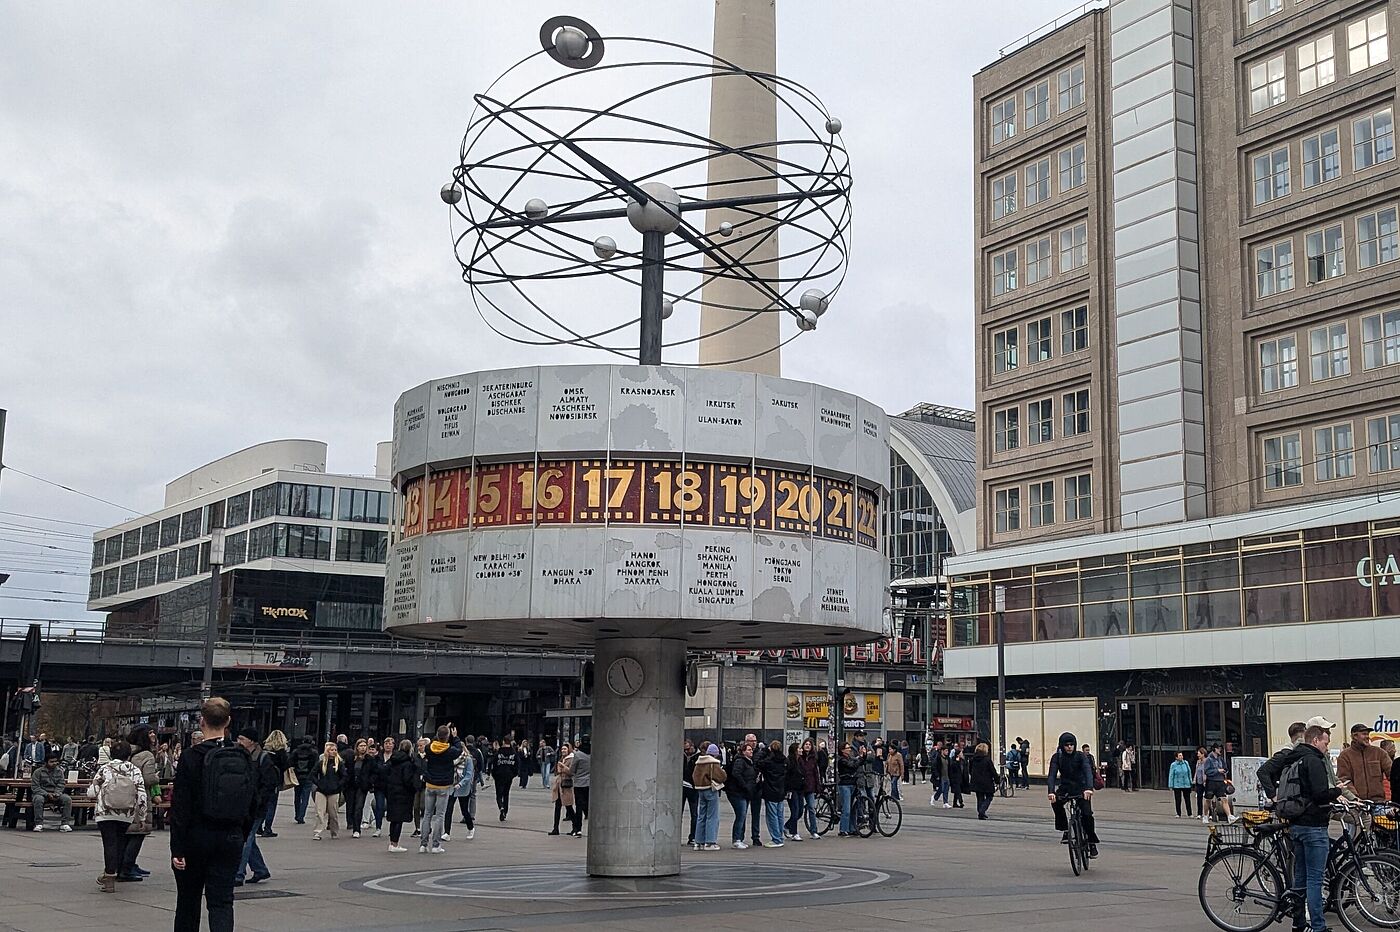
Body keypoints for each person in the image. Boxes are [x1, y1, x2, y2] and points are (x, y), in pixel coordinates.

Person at [170, 698, 259, 932]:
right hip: (230, 837)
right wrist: (241, 832)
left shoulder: (190, 757)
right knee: (221, 902)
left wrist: (177, 848)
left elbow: (180, 806)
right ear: (228, 721)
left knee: (188, 901)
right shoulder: (242, 756)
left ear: (201, 722)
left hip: (196, 837)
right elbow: (253, 800)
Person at [1277, 723, 1346, 932]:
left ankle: (1298, 924)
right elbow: (1319, 794)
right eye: (1326, 741)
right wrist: (1336, 792)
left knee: (1300, 878)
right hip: (1314, 826)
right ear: (1315, 740)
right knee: (1315, 880)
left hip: (1297, 824)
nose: (1327, 746)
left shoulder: (1294, 757)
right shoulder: (1313, 760)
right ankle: (1318, 927)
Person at [89, 738, 148, 893]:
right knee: (120, 842)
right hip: (125, 812)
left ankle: (109, 878)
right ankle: (113, 872)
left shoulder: (105, 769)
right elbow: (141, 795)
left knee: (109, 843)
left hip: (105, 811)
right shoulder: (134, 770)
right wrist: (141, 817)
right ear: (129, 755)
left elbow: (92, 791)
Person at [234, 727, 279, 887]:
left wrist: (258, 800)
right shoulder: (241, 755)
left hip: (256, 807)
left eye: (242, 739)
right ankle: (260, 869)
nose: (239, 742)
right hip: (244, 805)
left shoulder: (263, 758)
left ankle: (238, 873)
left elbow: (270, 783)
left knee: (246, 839)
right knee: (249, 839)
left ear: (251, 741)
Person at [1047, 732, 1099, 858]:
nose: (1069, 747)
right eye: (1066, 745)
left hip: (1081, 788)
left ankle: (1091, 842)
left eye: (1072, 744)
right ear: (1061, 746)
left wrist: (1088, 788)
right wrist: (1051, 791)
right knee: (1056, 803)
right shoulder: (1057, 757)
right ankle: (1065, 829)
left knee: (1087, 815)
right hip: (1066, 787)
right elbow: (1052, 775)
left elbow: (1087, 771)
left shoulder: (1081, 756)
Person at [124, 725, 160, 878]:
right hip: (140, 797)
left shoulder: (126, 750)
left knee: (127, 833)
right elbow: (148, 779)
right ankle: (127, 867)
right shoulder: (147, 755)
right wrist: (157, 777)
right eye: (150, 732)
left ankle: (126, 864)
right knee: (138, 832)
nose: (153, 735)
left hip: (124, 796)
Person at [420, 725, 461, 852]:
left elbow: (433, 743)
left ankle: (423, 844)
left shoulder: (429, 748)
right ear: (447, 737)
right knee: (439, 815)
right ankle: (436, 845)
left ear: (437, 736)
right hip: (443, 785)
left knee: (427, 814)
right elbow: (459, 749)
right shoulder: (450, 751)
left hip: (430, 784)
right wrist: (455, 737)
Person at [1338, 722, 1390, 803]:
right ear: (1355, 736)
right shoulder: (1344, 756)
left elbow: (1393, 774)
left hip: (1379, 802)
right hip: (1357, 804)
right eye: (1364, 734)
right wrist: (1355, 798)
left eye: (1368, 734)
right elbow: (1344, 780)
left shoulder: (1379, 753)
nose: (1367, 737)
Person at [382, 739, 419, 852]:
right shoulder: (408, 763)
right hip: (403, 793)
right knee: (399, 819)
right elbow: (408, 780)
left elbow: (385, 773)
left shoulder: (392, 760)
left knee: (393, 819)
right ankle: (395, 843)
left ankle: (392, 842)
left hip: (392, 792)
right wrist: (413, 787)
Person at [691, 743, 726, 851]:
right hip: (711, 790)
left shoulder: (699, 762)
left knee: (701, 816)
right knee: (712, 816)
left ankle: (698, 842)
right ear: (715, 753)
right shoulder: (713, 763)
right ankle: (710, 842)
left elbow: (693, 776)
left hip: (700, 790)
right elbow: (722, 777)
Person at [723, 741, 758, 849]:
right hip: (737, 793)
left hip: (745, 792)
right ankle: (736, 839)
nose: (751, 751)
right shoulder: (740, 761)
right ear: (743, 752)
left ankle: (740, 838)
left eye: (751, 750)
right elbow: (736, 774)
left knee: (742, 816)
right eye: (748, 749)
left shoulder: (749, 762)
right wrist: (745, 785)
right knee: (740, 815)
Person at [31, 749, 72, 831]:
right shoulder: (38, 772)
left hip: (56, 794)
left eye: (55, 762)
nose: (54, 763)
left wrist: (57, 793)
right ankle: (39, 823)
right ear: (46, 762)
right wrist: (46, 794)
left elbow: (61, 784)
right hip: (42, 794)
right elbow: (35, 787)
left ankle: (65, 823)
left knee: (67, 799)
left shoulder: (59, 771)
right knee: (38, 800)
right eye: (51, 762)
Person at [311, 741, 345, 841]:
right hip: (321, 791)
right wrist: (318, 783)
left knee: (333, 813)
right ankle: (317, 832)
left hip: (334, 791)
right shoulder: (321, 763)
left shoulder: (339, 763)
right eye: (331, 750)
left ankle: (334, 832)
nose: (333, 752)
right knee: (319, 812)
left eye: (335, 750)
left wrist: (338, 786)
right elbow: (312, 774)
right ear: (327, 751)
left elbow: (344, 776)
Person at [756, 740, 787, 847]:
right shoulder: (784, 760)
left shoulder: (769, 761)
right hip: (780, 790)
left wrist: (764, 751)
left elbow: (758, 762)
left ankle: (776, 839)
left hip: (770, 789)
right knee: (780, 815)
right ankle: (780, 837)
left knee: (772, 815)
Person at [259, 730, 290, 838]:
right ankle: (268, 828)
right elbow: (286, 766)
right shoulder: (282, 753)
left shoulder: (264, 751)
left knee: (263, 804)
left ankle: (258, 825)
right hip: (275, 782)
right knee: (272, 805)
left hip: (262, 781)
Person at [345, 738, 375, 838]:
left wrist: (369, 782)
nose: (363, 748)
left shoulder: (369, 759)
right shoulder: (351, 758)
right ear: (357, 747)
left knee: (359, 807)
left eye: (364, 746)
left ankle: (356, 829)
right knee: (351, 807)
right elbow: (347, 771)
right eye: (361, 746)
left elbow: (373, 772)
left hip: (362, 786)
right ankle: (351, 823)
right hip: (351, 785)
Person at [447, 740, 476, 841]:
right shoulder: (452, 759)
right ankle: (447, 832)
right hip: (452, 787)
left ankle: (471, 828)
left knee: (464, 810)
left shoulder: (468, 759)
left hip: (463, 788)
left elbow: (469, 775)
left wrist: (461, 783)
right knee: (448, 809)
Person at [290, 736, 319, 825]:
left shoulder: (295, 752)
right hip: (308, 777)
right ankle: (301, 816)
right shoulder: (314, 752)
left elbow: (291, 763)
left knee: (297, 796)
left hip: (297, 776)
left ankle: (297, 814)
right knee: (305, 797)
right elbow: (316, 766)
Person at [1204, 745, 1237, 822]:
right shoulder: (1208, 759)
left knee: (1224, 799)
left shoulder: (1221, 759)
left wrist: (1225, 771)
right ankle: (1205, 815)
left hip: (1220, 781)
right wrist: (1217, 771)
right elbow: (1206, 771)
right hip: (1211, 781)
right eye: (1219, 749)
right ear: (1215, 749)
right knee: (1208, 799)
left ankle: (1229, 816)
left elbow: (1226, 768)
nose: (1220, 751)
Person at [548, 742, 575, 835]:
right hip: (559, 785)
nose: (563, 751)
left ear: (569, 750)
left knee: (569, 807)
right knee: (557, 806)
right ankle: (555, 828)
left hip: (566, 785)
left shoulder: (571, 759)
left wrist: (563, 766)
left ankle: (575, 827)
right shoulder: (562, 758)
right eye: (562, 749)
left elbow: (571, 772)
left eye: (565, 749)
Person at [491, 737, 518, 821]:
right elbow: (517, 765)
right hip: (509, 776)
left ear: (503, 741)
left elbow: (494, 764)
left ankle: (501, 807)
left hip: (499, 775)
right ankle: (505, 812)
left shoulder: (499, 752)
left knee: (499, 794)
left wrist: (494, 774)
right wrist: (513, 774)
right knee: (506, 794)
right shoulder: (513, 753)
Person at [969, 741, 997, 820]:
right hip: (986, 781)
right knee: (989, 796)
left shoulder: (973, 759)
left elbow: (970, 770)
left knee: (979, 797)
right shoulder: (987, 760)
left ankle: (980, 812)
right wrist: (997, 780)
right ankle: (982, 810)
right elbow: (993, 771)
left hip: (976, 781)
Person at [836, 742, 858, 836]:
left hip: (852, 783)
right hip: (845, 784)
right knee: (846, 808)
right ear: (842, 750)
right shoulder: (842, 760)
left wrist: (862, 756)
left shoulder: (849, 758)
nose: (849, 749)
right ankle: (843, 829)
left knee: (853, 808)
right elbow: (852, 766)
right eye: (847, 748)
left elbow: (856, 763)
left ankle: (852, 828)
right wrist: (860, 759)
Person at [681, 739, 700, 847]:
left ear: (692, 747)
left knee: (694, 814)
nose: (686, 751)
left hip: (693, 788)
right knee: (680, 813)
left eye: (688, 749)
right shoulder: (682, 756)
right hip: (683, 787)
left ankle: (692, 836)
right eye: (685, 750)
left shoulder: (697, 757)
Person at [570, 740, 590, 836]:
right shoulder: (593, 753)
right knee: (587, 804)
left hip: (579, 783)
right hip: (589, 783)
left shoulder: (578, 755)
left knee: (579, 806)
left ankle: (578, 828)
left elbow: (572, 770)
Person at [1169, 751, 1194, 817]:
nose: (1181, 757)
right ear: (1176, 757)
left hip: (1186, 784)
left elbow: (1189, 772)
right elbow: (1171, 775)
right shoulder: (1173, 765)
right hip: (1177, 784)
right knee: (1178, 799)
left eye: (1181, 755)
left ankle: (1190, 813)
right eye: (1179, 756)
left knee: (1187, 799)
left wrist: (1191, 781)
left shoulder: (1186, 763)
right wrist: (1171, 785)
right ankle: (1178, 813)